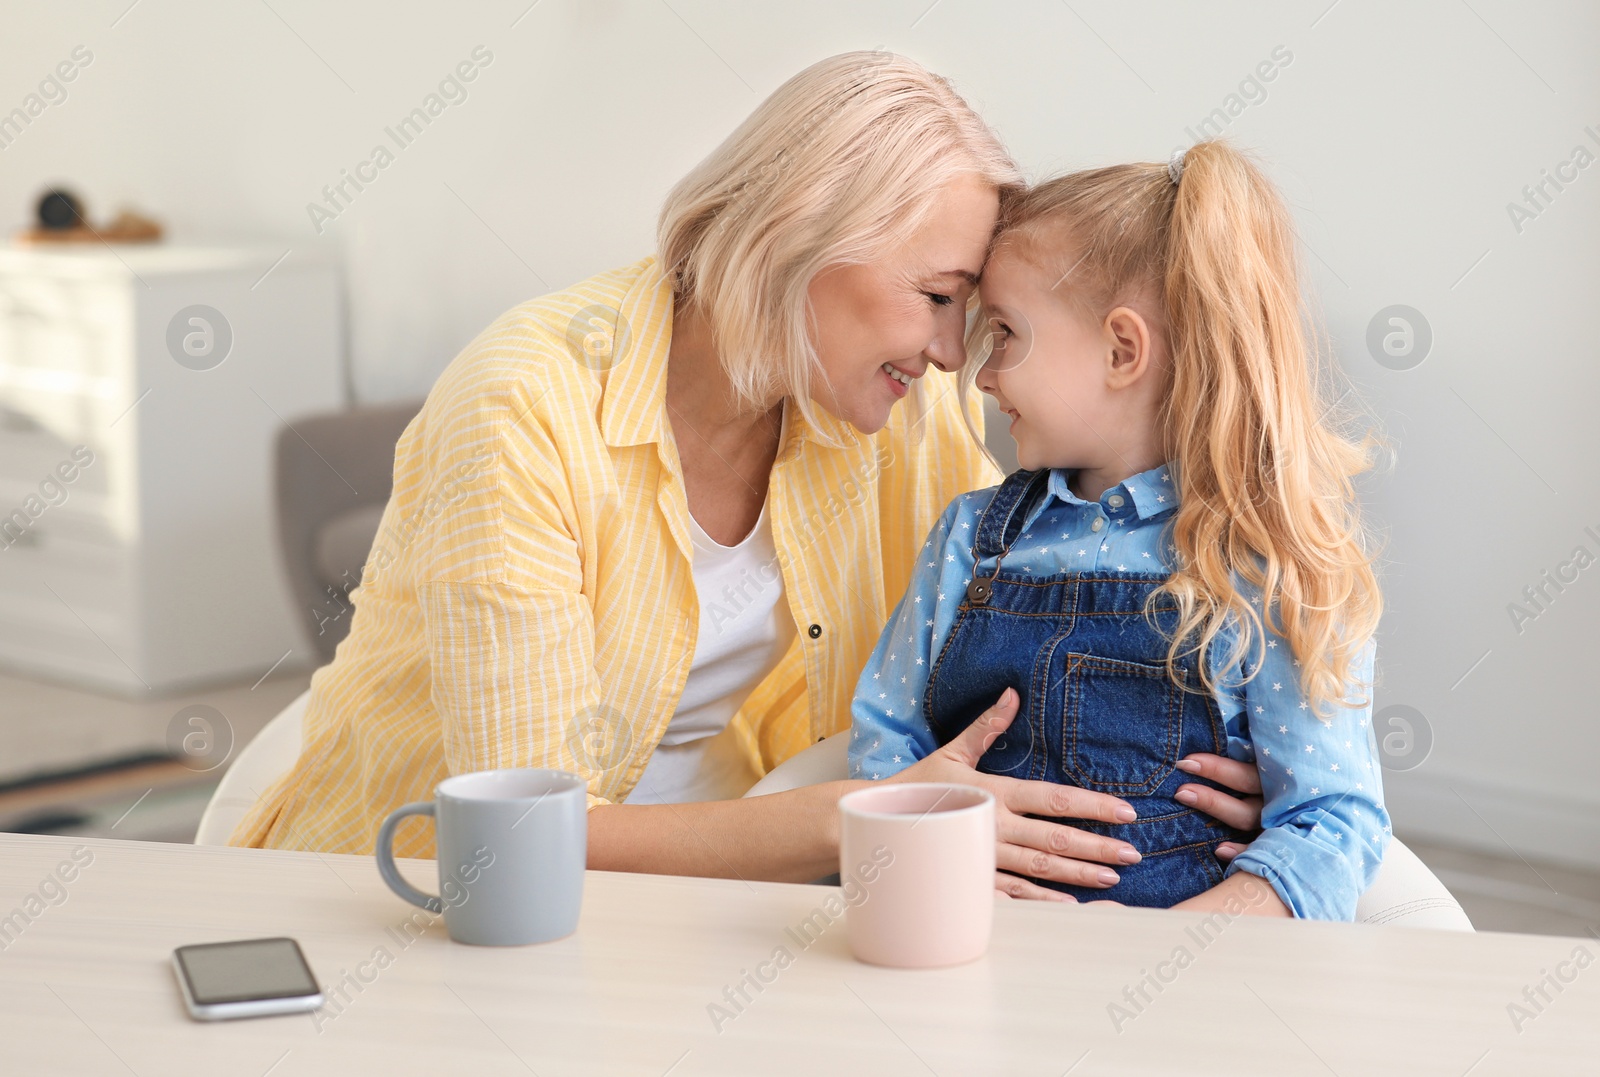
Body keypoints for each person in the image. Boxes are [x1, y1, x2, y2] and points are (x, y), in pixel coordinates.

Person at [232, 52, 1262, 896]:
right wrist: (865, 824)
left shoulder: (898, 411)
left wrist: (1192, 768)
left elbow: (995, 656)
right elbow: (521, 836)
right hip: (417, 903)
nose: (956, 357)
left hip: (741, 890)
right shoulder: (524, 405)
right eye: (939, 297)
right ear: (800, 238)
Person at [849, 140, 1391, 918]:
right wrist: (933, 834)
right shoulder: (971, 537)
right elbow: (882, 741)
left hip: (1179, 995)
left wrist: (1171, 956)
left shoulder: (1268, 564)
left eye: (1003, 333)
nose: (982, 373)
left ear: (1121, 349)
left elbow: (1332, 823)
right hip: (968, 943)